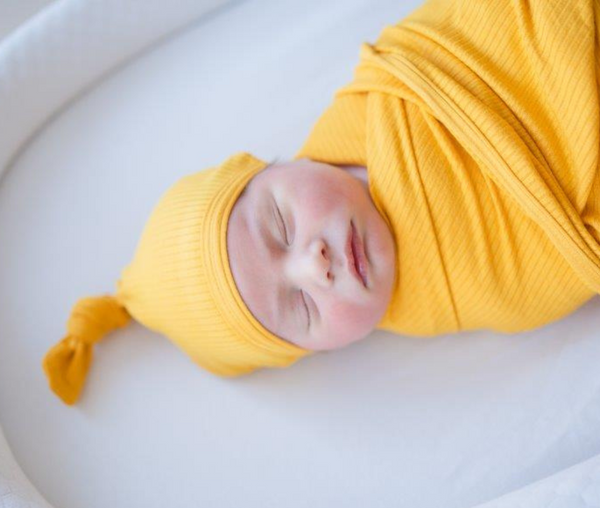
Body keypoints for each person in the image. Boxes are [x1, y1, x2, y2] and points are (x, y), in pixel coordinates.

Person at [43, 0, 600, 405]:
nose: (315, 263)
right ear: (327, 349)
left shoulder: (381, 91)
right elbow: (533, 277)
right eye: (303, 308)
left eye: (281, 225)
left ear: (282, 165)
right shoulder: (438, 299)